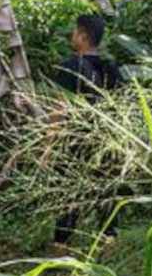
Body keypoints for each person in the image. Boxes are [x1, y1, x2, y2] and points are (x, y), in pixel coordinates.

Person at [52, 13, 123, 244]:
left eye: (74, 32)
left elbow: (60, 107)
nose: (72, 36)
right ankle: (108, 239)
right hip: (106, 137)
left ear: (83, 36)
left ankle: (61, 244)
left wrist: (48, 140)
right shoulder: (110, 67)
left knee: (69, 189)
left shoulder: (70, 66)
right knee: (105, 189)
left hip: (75, 138)